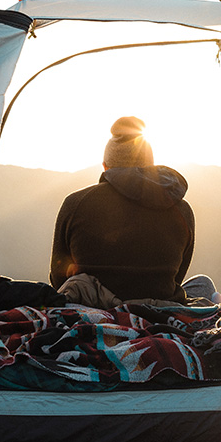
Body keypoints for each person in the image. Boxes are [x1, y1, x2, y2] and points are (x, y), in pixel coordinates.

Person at [49, 116, 196, 303]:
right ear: (150, 166)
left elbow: (58, 277)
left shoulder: (76, 203)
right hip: (160, 307)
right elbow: (176, 277)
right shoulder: (181, 209)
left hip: (93, 304)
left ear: (105, 167)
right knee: (202, 284)